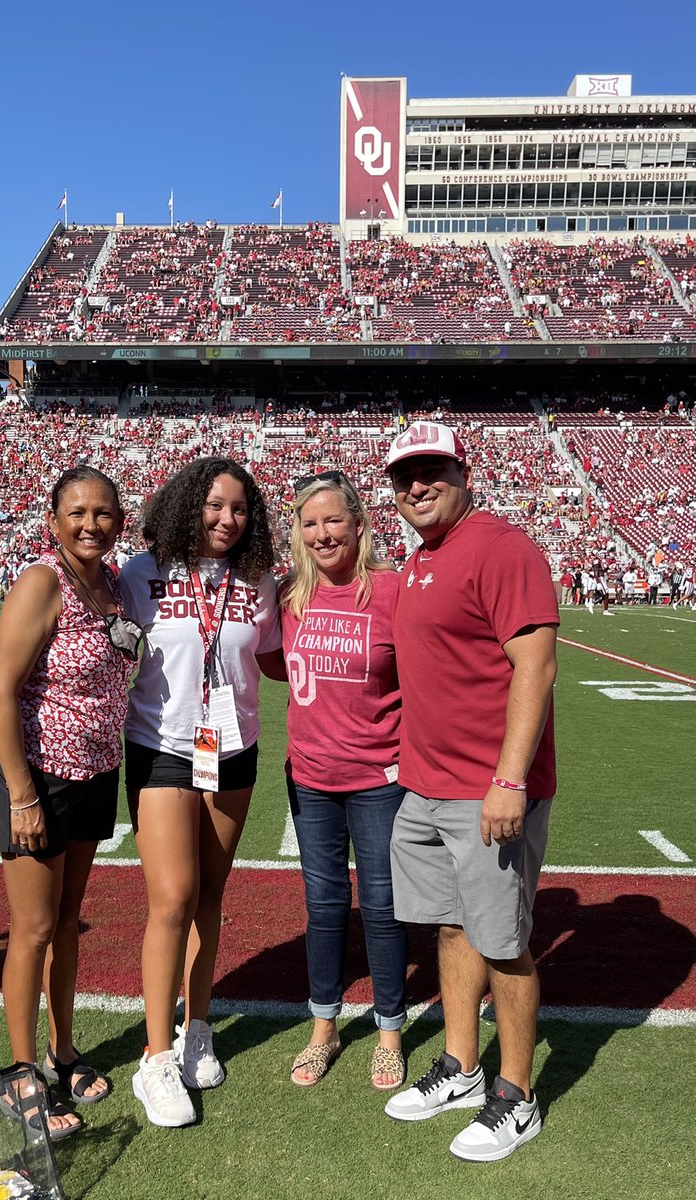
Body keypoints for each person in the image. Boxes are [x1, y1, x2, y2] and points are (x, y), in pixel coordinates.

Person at [382, 422, 558, 1164]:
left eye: (431, 471)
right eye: (403, 477)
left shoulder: (499, 546)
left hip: (486, 790)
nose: (416, 486)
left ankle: (517, 1095)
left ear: (462, 471)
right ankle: (461, 1065)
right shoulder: (425, 558)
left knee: (504, 942)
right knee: (451, 930)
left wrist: (509, 779)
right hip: (425, 787)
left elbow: (536, 666)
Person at [118, 456, 284, 1128]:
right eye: (216, 505)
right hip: (162, 745)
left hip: (233, 748)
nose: (227, 519)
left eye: (240, 509)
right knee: (172, 899)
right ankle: (154, 1057)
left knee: (212, 894)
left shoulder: (261, 578)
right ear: (189, 503)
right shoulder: (139, 572)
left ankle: (198, 1028)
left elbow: (271, 657)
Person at [0, 466, 139, 1140]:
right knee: (35, 929)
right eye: (77, 512)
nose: (90, 524)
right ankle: (20, 1075)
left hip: (96, 771)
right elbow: (0, 690)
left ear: (119, 520)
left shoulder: (111, 583)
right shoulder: (41, 580)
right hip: (37, 775)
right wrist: (21, 793)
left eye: (103, 513)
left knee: (69, 922)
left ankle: (63, 1051)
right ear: (53, 519)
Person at [280, 471, 408, 1091]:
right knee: (325, 905)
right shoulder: (289, 598)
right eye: (310, 523)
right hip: (310, 777)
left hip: (380, 776)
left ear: (359, 525)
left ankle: (389, 1030)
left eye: (333, 521)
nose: (322, 533)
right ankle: (324, 1027)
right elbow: (275, 667)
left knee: (383, 905)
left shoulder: (391, 590)